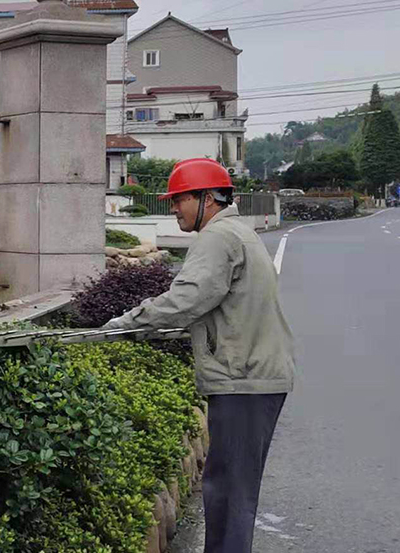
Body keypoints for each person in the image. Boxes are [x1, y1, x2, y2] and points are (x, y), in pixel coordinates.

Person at [101, 158, 295, 553]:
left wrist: (129, 321)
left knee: (229, 495)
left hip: (245, 379)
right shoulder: (237, 232)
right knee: (227, 489)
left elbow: (189, 297)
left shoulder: (218, 238)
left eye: (179, 199)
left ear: (207, 198)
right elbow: (214, 303)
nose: (173, 208)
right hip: (252, 375)